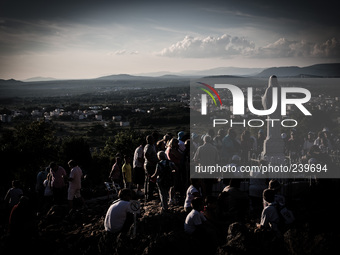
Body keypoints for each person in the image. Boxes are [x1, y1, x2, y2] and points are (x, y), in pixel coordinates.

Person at [144, 135, 158, 201]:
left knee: (150, 180)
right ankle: (149, 195)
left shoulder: (151, 146)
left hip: (150, 164)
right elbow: (146, 154)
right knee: (151, 180)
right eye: (152, 139)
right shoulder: (149, 146)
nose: (153, 140)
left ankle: (149, 194)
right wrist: (151, 162)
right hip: (150, 165)